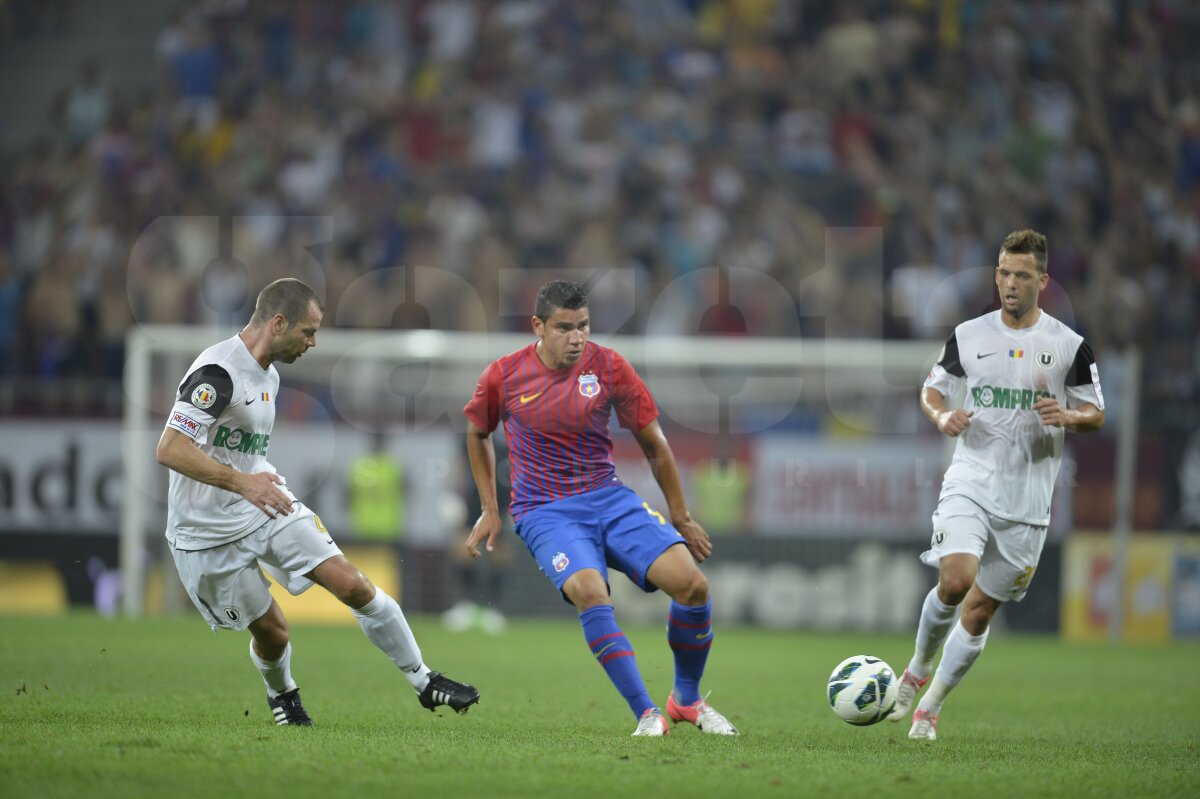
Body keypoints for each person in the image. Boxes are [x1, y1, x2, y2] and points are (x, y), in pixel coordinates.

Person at [156, 278, 478, 726]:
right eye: (308, 332)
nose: (313, 342)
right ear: (278, 322)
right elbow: (169, 449)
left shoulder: (269, 371)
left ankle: (424, 681)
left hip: (262, 505)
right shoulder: (218, 373)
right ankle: (282, 695)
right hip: (205, 531)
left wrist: (254, 478)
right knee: (273, 632)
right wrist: (243, 483)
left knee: (353, 585)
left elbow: (236, 448)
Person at [463, 279, 737, 737]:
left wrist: (682, 515)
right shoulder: (503, 376)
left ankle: (685, 701)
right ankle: (647, 713)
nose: (577, 337)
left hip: (609, 499)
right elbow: (476, 433)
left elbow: (656, 443)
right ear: (538, 327)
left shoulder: (609, 367)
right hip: (545, 510)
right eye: (565, 327)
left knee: (693, 586)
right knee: (591, 591)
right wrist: (491, 508)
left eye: (584, 326)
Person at [891, 230, 1105, 740]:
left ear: (1042, 281)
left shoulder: (1068, 346)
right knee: (956, 580)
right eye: (1004, 274)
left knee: (980, 609)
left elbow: (1097, 413)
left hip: (1028, 500)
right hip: (971, 477)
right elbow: (932, 391)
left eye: (1022, 276)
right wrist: (941, 418)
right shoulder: (968, 335)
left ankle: (931, 707)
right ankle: (916, 670)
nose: (1011, 284)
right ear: (996, 275)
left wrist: (1069, 417)